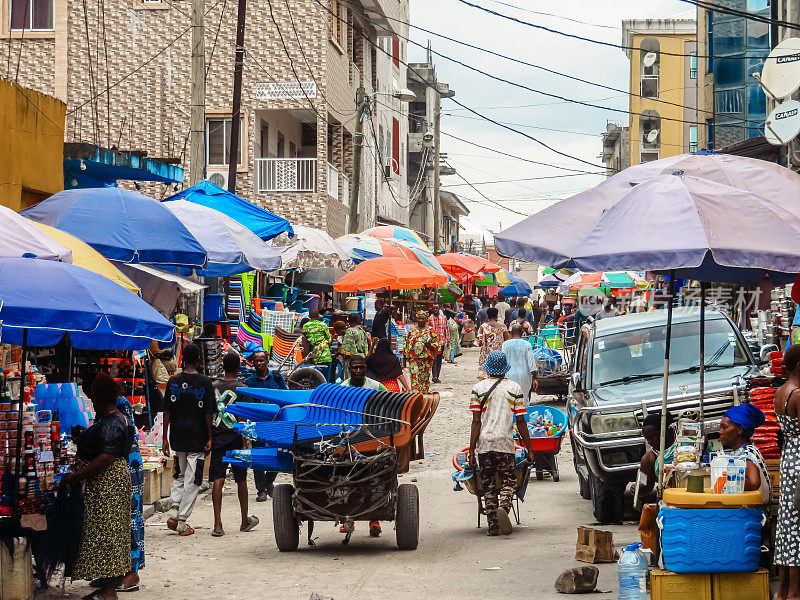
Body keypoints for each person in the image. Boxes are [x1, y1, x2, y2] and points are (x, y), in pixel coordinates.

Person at [67, 372, 136, 599]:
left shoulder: (112, 422)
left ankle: (108, 591)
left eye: (93, 397)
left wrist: (78, 476)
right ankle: (107, 586)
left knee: (107, 534)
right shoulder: (112, 419)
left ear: (100, 398)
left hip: (108, 484)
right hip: (109, 483)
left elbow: (105, 458)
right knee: (109, 533)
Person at [468, 351, 533, 536]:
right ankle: (504, 506)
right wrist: (529, 448)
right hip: (505, 443)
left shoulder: (478, 389)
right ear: (505, 370)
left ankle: (493, 526)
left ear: (488, 369)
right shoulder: (514, 388)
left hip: (485, 444)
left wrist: (472, 451)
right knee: (509, 481)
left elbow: (476, 422)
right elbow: (521, 422)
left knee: (488, 485)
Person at [162, 343, 214, 536]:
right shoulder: (205, 382)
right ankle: (182, 521)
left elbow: (166, 410)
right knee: (194, 478)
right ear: (199, 360)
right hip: (197, 437)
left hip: (177, 435)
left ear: (183, 359)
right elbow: (208, 412)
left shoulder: (173, 381)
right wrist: (209, 437)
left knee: (180, 474)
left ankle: (174, 510)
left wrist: (164, 438)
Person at [210, 352, 259, 537]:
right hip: (236, 438)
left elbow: (208, 414)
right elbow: (243, 419)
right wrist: (246, 442)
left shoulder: (213, 386)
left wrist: (208, 437)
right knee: (241, 479)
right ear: (239, 368)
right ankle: (245, 519)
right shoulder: (242, 388)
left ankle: (217, 525)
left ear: (222, 365)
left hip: (217, 438)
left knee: (218, 478)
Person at [774, 344, 800, 600]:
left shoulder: (780, 392)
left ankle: (783, 591)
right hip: (799, 458)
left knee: (788, 523)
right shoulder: (798, 394)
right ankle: (794, 592)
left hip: (789, 457)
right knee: (798, 523)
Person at [245, 350, 287, 502]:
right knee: (258, 455)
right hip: (259, 424)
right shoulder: (250, 381)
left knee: (279, 452)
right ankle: (261, 490)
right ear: (253, 363)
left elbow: (285, 396)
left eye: (262, 360)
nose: (259, 363)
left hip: (276, 422)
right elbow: (248, 405)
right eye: (256, 361)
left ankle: (269, 479)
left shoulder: (276, 377)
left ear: (267, 362)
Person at [718, 403, 771, 503]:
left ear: (739, 430)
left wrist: (727, 479)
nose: (720, 431)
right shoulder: (738, 452)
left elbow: (753, 483)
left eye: (724, 427)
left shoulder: (748, 453)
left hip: (754, 512)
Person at [628, 412, 676, 501]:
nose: (649, 442)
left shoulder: (683, 441)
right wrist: (637, 488)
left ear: (663, 432)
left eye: (652, 437)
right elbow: (644, 485)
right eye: (647, 439)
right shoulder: (648, 459)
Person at [403, 309, 441, 393]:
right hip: (413, 359)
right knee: (415, 376)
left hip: (426, 359)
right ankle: (416, 396)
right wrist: (404, 360)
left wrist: (430, 345)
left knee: (424, 379)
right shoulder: (412, 330)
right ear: (416, 319)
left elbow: (437, 345)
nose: (420, 320)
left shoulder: (430, 330)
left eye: (423, 318)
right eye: (419, 318)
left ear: (426, 319)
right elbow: (407, 345)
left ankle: (423, 396)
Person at [501, 324, 538, 402]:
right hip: (525, 376)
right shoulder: (527, 344)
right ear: (522, 333)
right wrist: (535, 378)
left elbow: (503, 362)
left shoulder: (505, 345)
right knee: (523, 400)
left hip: (509, 376)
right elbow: (531, 363)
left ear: (510, 333)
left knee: (510, 400)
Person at [477, 307, 509, 379]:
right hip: (500, 355)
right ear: (496, 316)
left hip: (486, 355)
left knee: (486, 377)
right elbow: (507, 341)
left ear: (488, 316)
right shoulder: (503, 327)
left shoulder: (483, 327)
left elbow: (478, 342)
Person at [301, 310, 333, 380]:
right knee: (325, 379)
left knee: (316, 379)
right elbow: (329, 340)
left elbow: (304, 340)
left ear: (309, 316)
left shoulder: (305, 326)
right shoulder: (323, 325)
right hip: (325, 355)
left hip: (313, 355)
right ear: (318, 315)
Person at [339, 313, 369, 380]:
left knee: (350, 379)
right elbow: (366, 345)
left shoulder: (350, 331)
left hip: (352, 360)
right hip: (361, 358)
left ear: (349, 321)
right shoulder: (361, 330)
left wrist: (339, 352)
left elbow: (346, 349)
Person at [428, 303, 448, 384]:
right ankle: (434, 376)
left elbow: (446, 329)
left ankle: (437, 376)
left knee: (439, 359)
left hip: (441, 341)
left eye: (436, 308)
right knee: (434, 359)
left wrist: (448, 340)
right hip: (433, 342)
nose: (435, 310)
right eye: (434, 308)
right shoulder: (430, 318)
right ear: (432, 309)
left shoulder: (444, 318)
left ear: (439, 308)